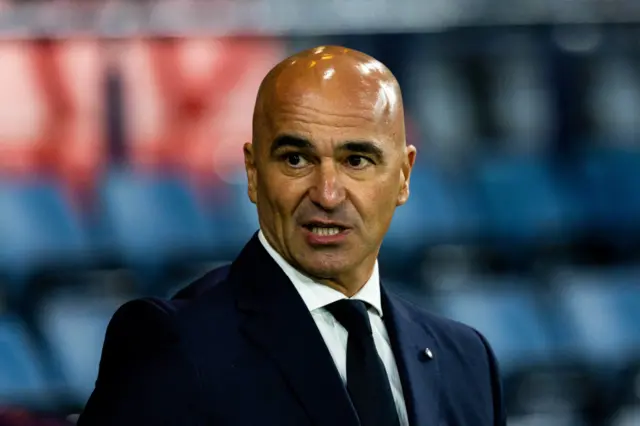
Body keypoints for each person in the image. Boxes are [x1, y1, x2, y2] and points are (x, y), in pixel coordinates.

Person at [77, 46, 506, 426]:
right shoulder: (175, 343)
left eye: (357, 160)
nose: (327, 193)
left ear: (403, 176)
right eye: (296, 159)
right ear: (252, 172)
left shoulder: (465, 360)